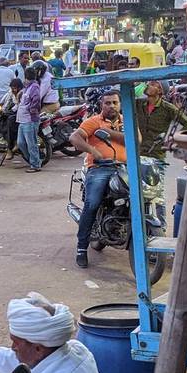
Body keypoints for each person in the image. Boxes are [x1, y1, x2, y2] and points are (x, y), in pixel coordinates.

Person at [68, 89, 125, 268]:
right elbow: (74, 137)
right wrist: (93, 151)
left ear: (120, 104)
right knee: (92, 203)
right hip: (101, 168)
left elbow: (137, 140)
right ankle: (81, 248)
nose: (111, 106)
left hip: (124, 168)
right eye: (107, 103)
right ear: (102, 105)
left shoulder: (127, 121)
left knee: (143, 197)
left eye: (115, 103)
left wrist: (108, 132)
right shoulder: (93, 121)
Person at [136, 81, 187, 160]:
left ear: (160, 91)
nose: (148, 85)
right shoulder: (139, 104)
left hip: (156, 154)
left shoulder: (168, 108)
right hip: (138, 152)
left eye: (152, 84)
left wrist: (174, 140)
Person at [15, 68, 43, 172]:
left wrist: (31, 109)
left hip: (30, 120)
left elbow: (36, 100)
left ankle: (35, 165)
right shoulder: (27, 88)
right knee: (21, 143)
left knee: (31, 143)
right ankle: (34, 161)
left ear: (26, 77)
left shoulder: (34, 87)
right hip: (22, 120)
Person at [0, 78, 24, 161]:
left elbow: (18, 106)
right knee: (3, 118)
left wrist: (8, 112)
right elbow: (6, 103)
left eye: (14, 88)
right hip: (17, 111)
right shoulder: (11, 93)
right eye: (12, 88)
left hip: (22, 113)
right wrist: (3, 111)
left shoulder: (22, 93)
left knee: (10, 120)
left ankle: (10, 148)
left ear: (19, 87)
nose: (13, 90)